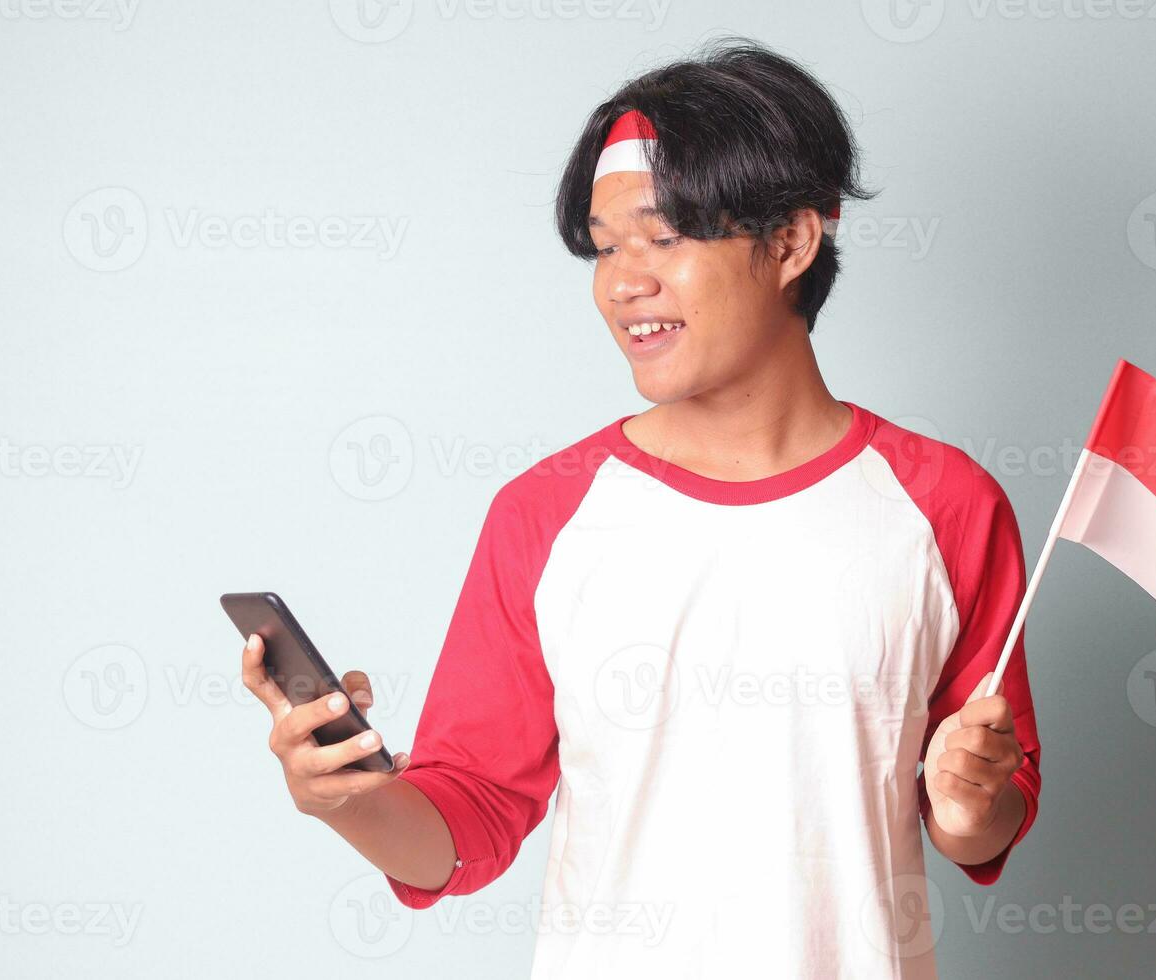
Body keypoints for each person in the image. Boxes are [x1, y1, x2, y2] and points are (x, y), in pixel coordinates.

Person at [239, 37, 1042, 980]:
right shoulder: (544, 514)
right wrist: (345, 798)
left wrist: (970, 804)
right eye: (604, 246)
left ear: (789, 242)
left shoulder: (945, 505)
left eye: (663, 237)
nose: (623, 282)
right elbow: (468, 822)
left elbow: (989, 812)